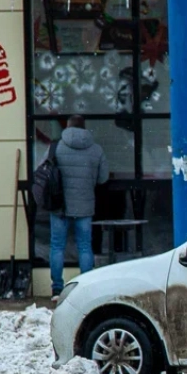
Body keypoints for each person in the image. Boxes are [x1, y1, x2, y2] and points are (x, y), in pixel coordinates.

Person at [48, 115, 109, 302]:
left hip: (60, 206)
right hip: (84, 205)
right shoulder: (96, 149)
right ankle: (86, 285)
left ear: (66, 127)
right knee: (85, 246)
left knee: (57, 246)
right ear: (85, 128)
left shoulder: (56, 147)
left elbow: (45, 173)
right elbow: (103, 178)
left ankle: (57, 288)